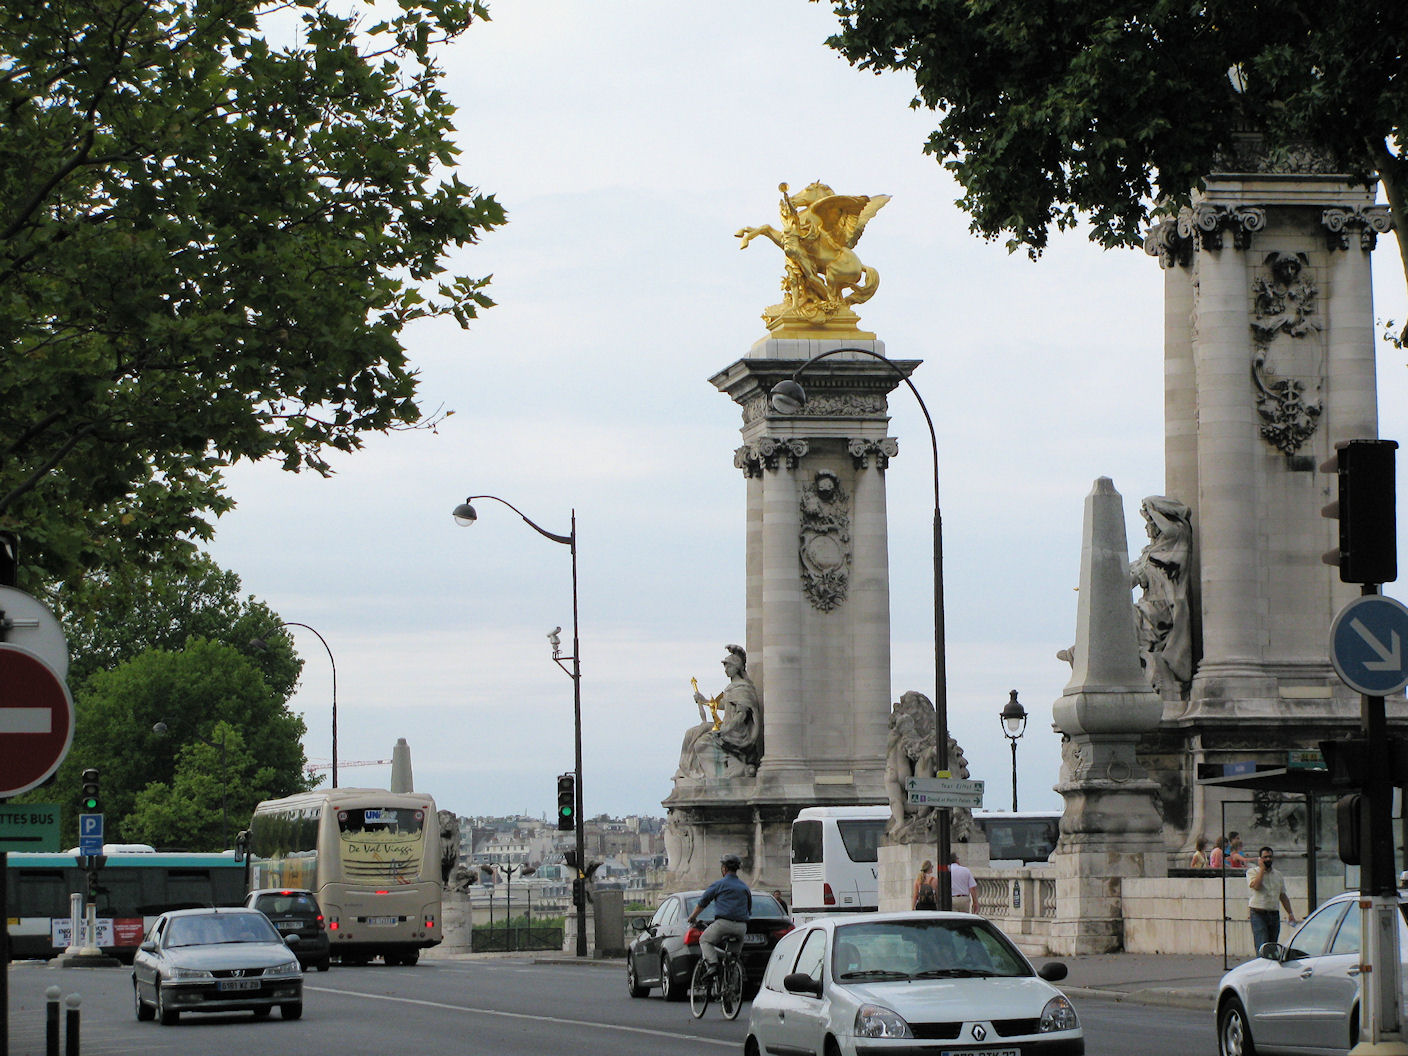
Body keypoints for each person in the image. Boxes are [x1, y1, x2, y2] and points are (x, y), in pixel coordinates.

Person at [687, 853, 751, 979]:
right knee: (733, 958)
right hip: (741, 927)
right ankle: (733, 981)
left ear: (724, 869)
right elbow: (748, 908)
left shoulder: (719, 884)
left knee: (705, 940)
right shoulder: (744, 887)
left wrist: (692, 917)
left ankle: (712, 965)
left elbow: (703, 902)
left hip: (723, 924)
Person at [1247, 845, 1297, 954]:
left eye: (1270, 857)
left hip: (1273, 913)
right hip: (1258, 913)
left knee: (1273, 947)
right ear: (1260, 859)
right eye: (1265, 857)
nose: (1268, 859)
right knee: (1262, 946)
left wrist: (1290, 913)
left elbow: (1282, 895)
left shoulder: (1278, 875)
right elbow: (1256, 886)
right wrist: (1262, 870)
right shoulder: (1252, 872)